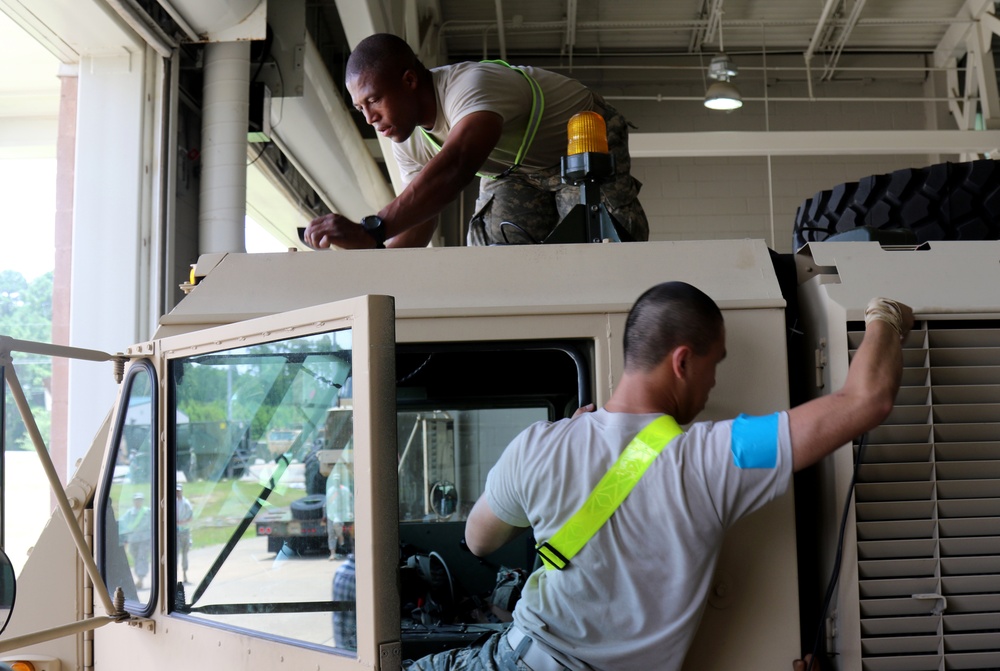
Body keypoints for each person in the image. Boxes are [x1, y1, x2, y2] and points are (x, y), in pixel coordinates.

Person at [405, 282, 913, 671]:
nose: (714, 384)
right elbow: (866, 400)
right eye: (716, 365)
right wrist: (886, 316)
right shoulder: (719, 455)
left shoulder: (539, 445)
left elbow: (477, 539)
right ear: (683, 361)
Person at [303, 32, 648, 250]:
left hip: (578, 147)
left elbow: (457, 166)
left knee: (603, 247)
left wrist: (371, 228)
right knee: (492, 252)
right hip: (515, 172)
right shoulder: (406, 141)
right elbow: (422, 215)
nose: (369, 118)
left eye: (374, 100)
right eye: (360, 108)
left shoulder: (468, 87)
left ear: (408, 80)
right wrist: (372, 252)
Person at [120, 492, 152, 590]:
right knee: (135, 557)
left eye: (140, 500)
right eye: (136, 500)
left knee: (141, 557)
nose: (138, 502)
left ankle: (140, 579)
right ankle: (139, 576)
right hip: (133, 539)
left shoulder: (147, 511)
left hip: (144, 539)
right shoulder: (129, 513)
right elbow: (122, 522)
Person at [326, 471, 354, 560]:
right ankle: (332, 553)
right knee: (331, 533)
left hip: (342, 514)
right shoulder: (330, 491)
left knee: (340, 527)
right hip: (331, 514)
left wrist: (350, 512)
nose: (336, 482)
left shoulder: (344, 490)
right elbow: (327, 503)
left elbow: (350, 502)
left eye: (337, 480)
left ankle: (342, 542)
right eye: (335, 480)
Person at [175, 484, 193, 584]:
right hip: (176, 532)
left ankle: (184, 573)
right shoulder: (173, 503)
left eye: (179, 491)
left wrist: (182, 522)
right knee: (175, 554)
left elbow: (191, 517)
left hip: (185, 532)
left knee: (185, 553)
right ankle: (175, 575)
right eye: (176, 491)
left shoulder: (186, 503)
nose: (178, 493)